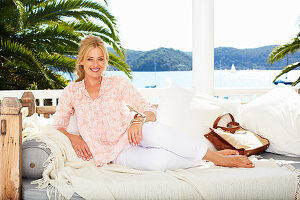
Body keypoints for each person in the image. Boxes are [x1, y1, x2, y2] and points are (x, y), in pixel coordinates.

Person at [52, 36, 255, 171]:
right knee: (158, 162)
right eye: (90, 59)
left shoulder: (118, 83)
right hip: (113, 153)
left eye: (100, 59)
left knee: (156, 132)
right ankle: (211, 156)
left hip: (132, 134)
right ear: (81, 61)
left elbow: (149, 110)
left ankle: (219, 159)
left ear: (106, 61)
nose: (96, 65)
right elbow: (57, 125)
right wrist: (73, 138)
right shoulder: (72, 92)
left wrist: (137, 121)